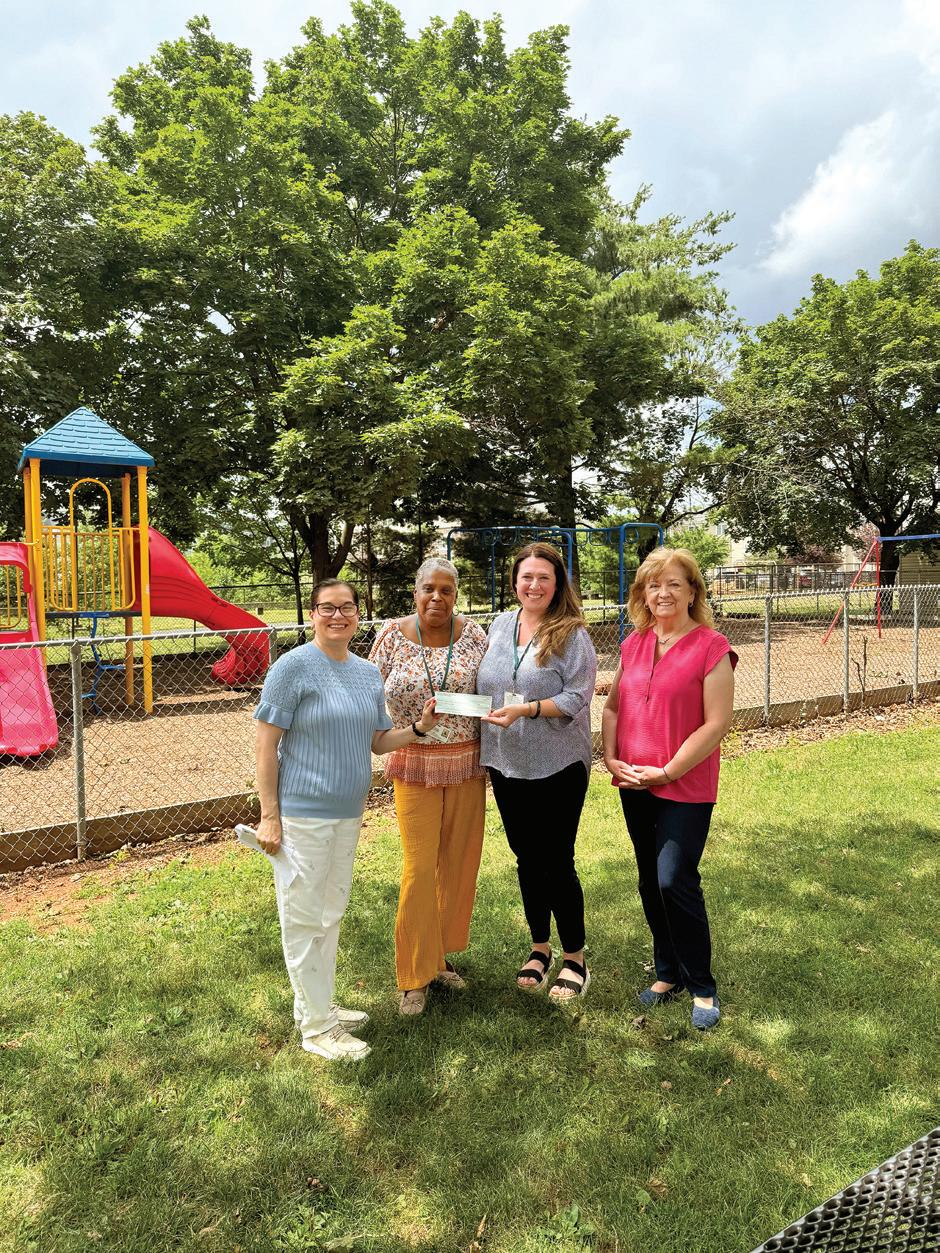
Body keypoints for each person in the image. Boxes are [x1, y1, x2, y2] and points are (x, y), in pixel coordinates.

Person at [254, 578, 439, 1062]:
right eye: (327, 608)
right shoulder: (292, 667)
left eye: (347, 607)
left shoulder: (366, 673)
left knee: (330, 913)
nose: (338, 616)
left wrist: (418, 728)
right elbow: (266, 746)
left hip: (347, 813)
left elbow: (377, 742)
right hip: (302, 814)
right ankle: (317, 1029)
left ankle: (318, 1005)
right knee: (303, 918)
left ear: (359, 614)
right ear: (313, 614)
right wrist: (270, 816)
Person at [601, 547, 736, 1031]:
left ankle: (702, 985)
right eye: (654, 585)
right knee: (648, 880)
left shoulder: (712, 647)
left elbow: (716, 723)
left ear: (693, 591)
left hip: (685, 784)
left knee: (673, 879)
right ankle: (667, 973)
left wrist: (667, 770)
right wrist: (610, 756)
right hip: (633, 781)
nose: (663, 593)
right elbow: (613, 707)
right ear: (643, 594)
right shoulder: (634, 644)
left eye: (675, 583)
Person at [476, 543, 597, 1001]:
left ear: (558, 584)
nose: (534, 585)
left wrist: (526, 709)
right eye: (527, 576)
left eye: (544, 577)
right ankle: (539, 947)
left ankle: (575, 958)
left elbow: (577, 697)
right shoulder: (500, 625)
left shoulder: (572, 633)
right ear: (514, 582)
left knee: (556, 859)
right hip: (506, 762)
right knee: (526, 858)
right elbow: (484, 684)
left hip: (557, 764)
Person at [370, 558, 489, 1016]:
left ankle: (437, 957)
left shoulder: (474, 635)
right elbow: (368, 693)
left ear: (456, 594)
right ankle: (413, 976)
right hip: (414, 763)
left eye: (446, 590)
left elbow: (492, 690)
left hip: (466, 766)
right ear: (415, 592)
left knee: (457, 863)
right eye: (428, 589)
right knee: (419, 868)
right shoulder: (391, 635)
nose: (437, 598)